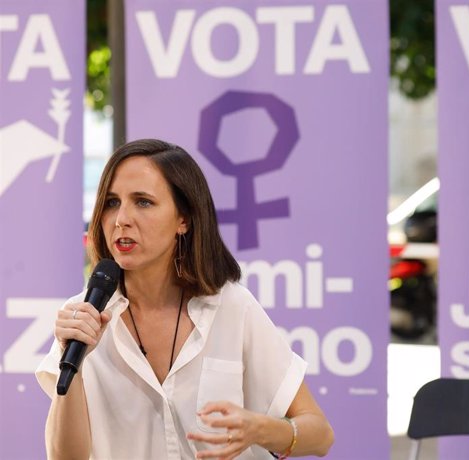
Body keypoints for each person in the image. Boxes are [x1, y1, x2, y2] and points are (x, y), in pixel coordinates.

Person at [36, 139, 334, 460]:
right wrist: (74, 366)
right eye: (111, 202)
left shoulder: (231, 306)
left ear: (184, 219)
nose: (121, 218)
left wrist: (260, 429)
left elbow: (320, 435)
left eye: (143, 202)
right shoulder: (83, 317)